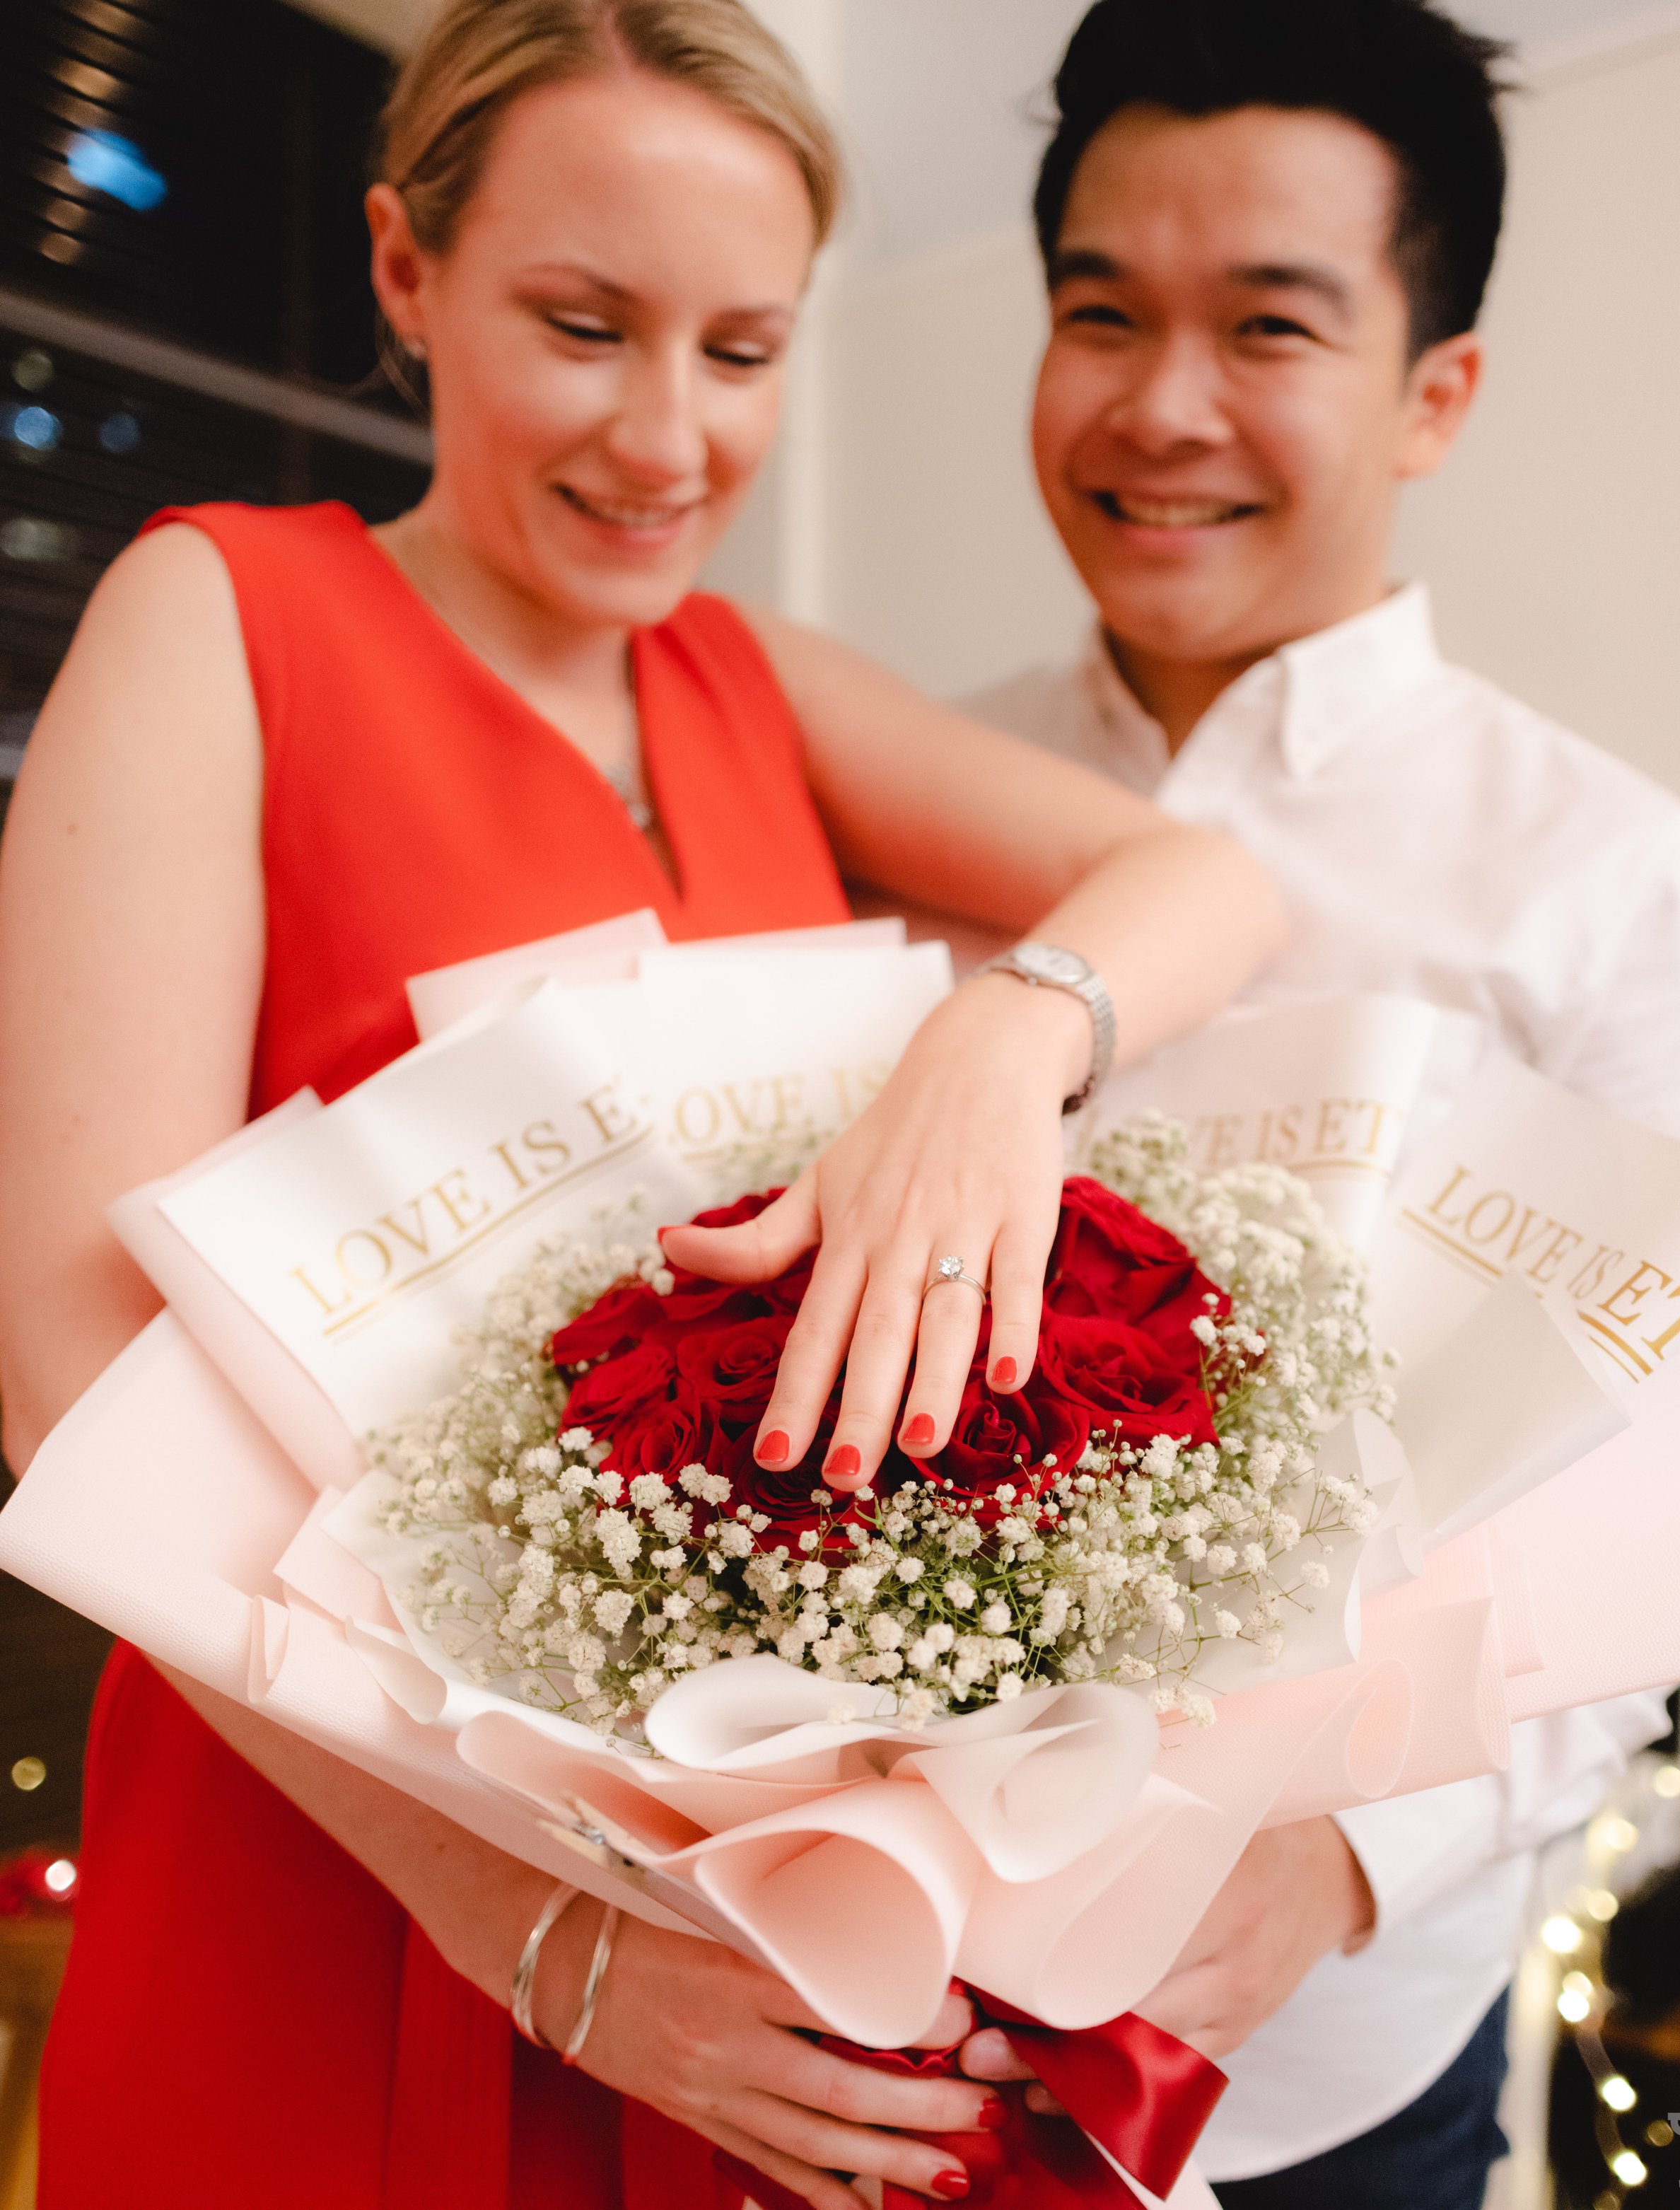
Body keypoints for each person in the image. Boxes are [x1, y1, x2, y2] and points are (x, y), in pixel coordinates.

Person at [0, 4, 1287, 2206]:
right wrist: (533, 1932)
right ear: (405, 270)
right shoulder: (225, 615)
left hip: (726, 1863)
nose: (670, 437)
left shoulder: (748, 678)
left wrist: (991, 1051)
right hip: (340, 1839)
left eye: (742, 349)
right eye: (583, 327)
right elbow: (60, 1378)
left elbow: (1207, 882)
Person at [957, 2, 1680, 2206]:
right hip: (882, 2033)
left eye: (1267, 325)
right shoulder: (906, 797)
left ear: (1435, 391)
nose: (1160, 407)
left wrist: (1343, 1857)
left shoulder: (1600, 882)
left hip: (1338, 2073)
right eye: (1098, 312)